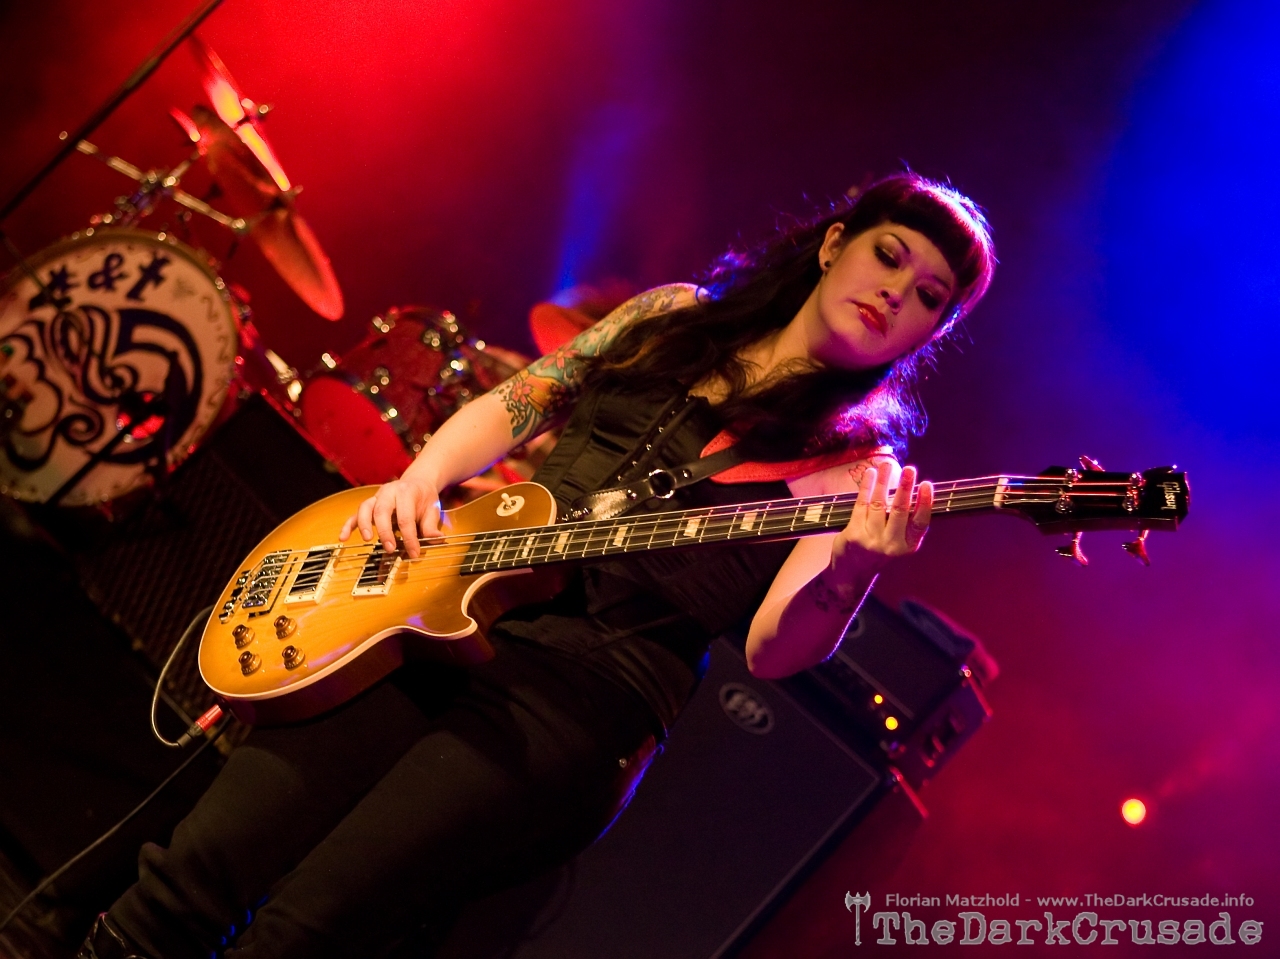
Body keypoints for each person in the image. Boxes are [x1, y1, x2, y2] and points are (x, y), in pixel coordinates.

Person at [78, 172, 995, 959]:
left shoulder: (855, 471)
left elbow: (770, 648)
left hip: (579, 702)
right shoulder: (673, 315)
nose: (894, 293)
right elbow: (520, 402)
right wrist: (422, 478)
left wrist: (850, 573)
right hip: (436, 607)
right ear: (834, 243)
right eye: (888, 255)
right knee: (198, 865)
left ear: (932, 331)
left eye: (927, 295)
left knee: (301, 931)